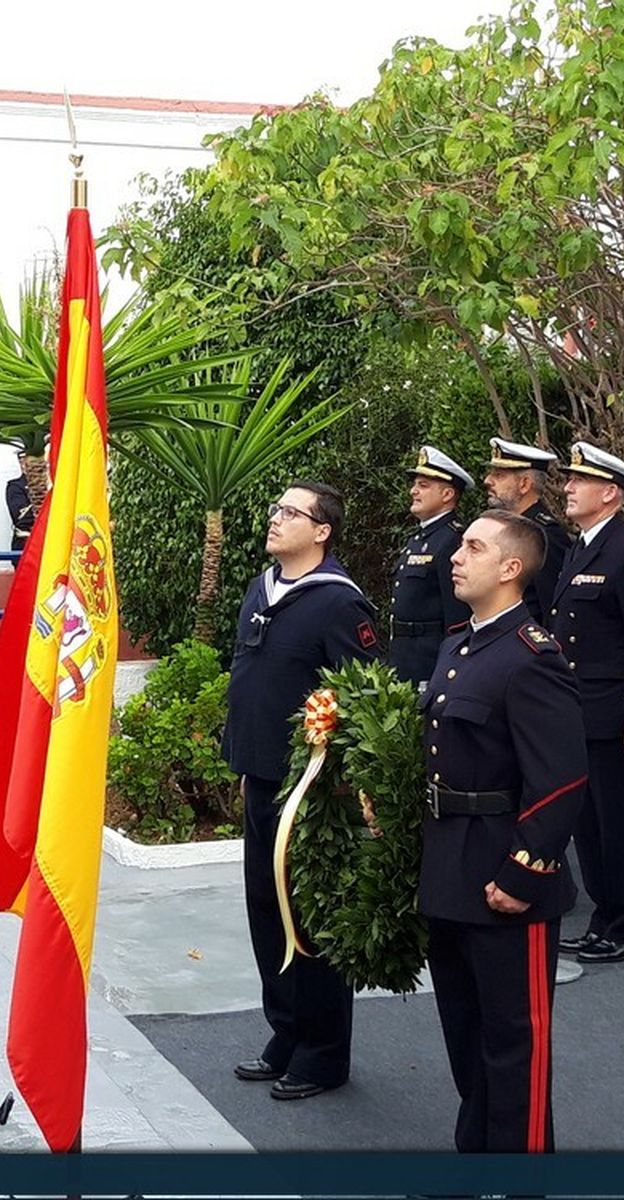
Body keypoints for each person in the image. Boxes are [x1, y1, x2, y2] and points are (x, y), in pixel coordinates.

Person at [422, 509, 588, 1152]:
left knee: (514, 1039)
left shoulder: (531, 657)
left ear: (511, 568)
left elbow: (562, 780)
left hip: (502, 870)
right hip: (451, 865)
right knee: (465, 1033)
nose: (457, 557)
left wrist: (524, 870)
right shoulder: (458, 643)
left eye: (472, 547)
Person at [222, 481, 380, 1102]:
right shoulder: (263, 589)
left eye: (291, 512)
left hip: (311, 790)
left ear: (322, 531)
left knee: (310, 918)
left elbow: (362, 694)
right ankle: (285, 1030)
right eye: (275, 507)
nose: (275, 518)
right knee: (266, 909)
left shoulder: (339, 604)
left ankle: (323, 1051)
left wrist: (345, 781)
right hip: (260, 776)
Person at [547, 442, 624, 965]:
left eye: (579, 481)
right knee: (589, 827)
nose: (569, 488)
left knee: (618, 827)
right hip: (578, 712)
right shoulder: (581, 548)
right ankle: (604, 918)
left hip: (613, 714)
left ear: (611, 493)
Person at [389, 446, 473, 688]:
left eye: (423, 485)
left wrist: (449, 669)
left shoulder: (452, 540)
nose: (413, 491)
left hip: (431, 660)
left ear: (447, 494)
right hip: (405, 658)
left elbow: (458, 617)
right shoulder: (418, 538)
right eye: (415, 484)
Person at [481, 438, 570, 624]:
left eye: (499, 475)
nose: (487, 481)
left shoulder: (544, 534)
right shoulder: (505, 526)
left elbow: (551, 607)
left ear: (524, 484)